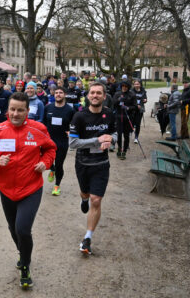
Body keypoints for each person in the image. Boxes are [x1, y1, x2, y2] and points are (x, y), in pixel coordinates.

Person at [0, 92, 56, 288]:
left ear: (27, 111)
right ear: (8, 110)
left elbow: (50, 149)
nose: (15, 113)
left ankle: (25, 265)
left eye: (20, 110)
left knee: (23, 228)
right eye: (12, 109)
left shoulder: (38, 129)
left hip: (31, 187)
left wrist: (44, 163)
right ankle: (23, 253)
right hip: (6, 189)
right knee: (13, 229)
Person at [69, 82, 116, 256]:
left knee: (96, 200)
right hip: (83, 163)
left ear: (104, 96)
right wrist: (97, 140)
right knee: (86, 195)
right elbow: (73, 143)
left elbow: (114, 133)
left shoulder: (109, 114)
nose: (95, 95)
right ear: (88, 96)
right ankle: (83, 199)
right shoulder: (79, 117)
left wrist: (111, 140)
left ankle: (87, 237)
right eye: (92, 93)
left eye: (99, 93)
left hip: (101, 164)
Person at [44, 86, 75, 196]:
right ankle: (51, 169)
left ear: (65, 95)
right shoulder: (48, 108)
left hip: (62, 141)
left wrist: (71, 133)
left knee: (59, 164)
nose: (58, 94)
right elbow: (43, 123)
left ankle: (57, 185)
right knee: (47, 162)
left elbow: (74, 125)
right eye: (56, 92)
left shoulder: (70, 110)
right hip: (48, 141)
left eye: (60, 92)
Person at [112, 82, 135, 159]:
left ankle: (124, 151)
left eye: (126, 86)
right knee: (118, 134)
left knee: (126, 135)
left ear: (128, 87)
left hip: (127, 117)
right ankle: (119, 148)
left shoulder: (132, 95)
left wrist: (128, 108)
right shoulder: (117, 94)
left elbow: (134, 106)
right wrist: (118, 100)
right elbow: (113, 104)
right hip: (118, 117)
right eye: (123, 86)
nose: (124, 87)